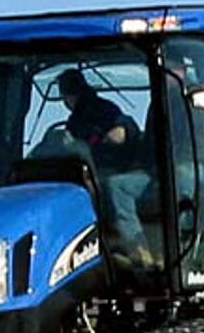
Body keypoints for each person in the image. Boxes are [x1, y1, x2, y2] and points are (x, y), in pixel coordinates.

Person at [56, 69, 154, 270]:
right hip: (93, 169)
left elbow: (122, 131)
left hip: (117, 168)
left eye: (65, 94)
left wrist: (107, 138)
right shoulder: (76, 119)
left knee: (101, 188)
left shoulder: (100, 110)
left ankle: (134, 249)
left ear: (68, 95)